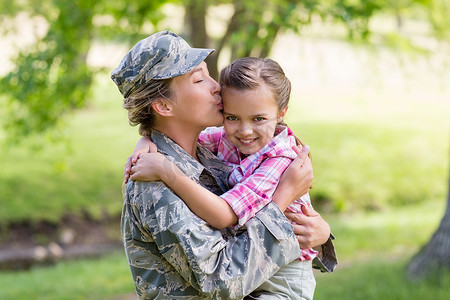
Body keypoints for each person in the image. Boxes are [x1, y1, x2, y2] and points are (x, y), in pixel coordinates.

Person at [111, 30, 335, 299]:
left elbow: (246, 221)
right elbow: (222, 279)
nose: (216, 86)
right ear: (163, 105)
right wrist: (284, 196)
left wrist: (319, 235)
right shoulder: (154, 183)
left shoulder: (211, 152)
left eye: (208, 73)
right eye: (198, 79)